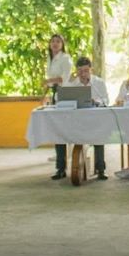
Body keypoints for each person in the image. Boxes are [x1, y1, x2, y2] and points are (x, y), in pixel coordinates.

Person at [53, 57, 108, 181]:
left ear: (91, 70)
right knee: (59, 133)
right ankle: (60, 169)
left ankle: (100, 169)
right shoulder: (72, 82)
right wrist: (68, 82)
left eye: (86, 71)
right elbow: (57, 97)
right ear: (76, 71)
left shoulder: (98, 82)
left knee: (100, 133)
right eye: (80, 71)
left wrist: (96, 101)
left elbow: (106, 100)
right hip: (74, 122)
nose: (83, 74)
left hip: (93, 121)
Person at [45, 34, 73, 178]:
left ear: (62, 45)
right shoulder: (50, 58)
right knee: (57, 130)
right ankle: (60, 166)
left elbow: (64, 78)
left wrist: (49, 81)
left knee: (63, 129)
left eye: (58, 42)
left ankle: (64, 165)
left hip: (65, 94)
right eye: (53, 41)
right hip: (55, 93)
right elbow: (50, 81)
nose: (55, 44)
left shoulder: (65, 58)